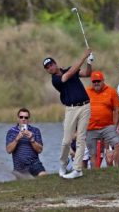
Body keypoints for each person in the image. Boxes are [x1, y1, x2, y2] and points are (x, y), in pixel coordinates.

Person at [43, 48, 93, 179]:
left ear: (55, 63)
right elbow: (69, 75)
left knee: (81, 139)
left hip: (85, 106)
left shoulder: (69, 70)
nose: (50, 68)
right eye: (47, 67)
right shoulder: (55, 80)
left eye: (51, 64)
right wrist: (83, 56)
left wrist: (89, 61)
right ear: (47, 70)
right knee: (66, 141)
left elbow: (87, 73)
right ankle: (63, 164)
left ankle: (77, 169)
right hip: (71, 109)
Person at [86, 71, 119, 167]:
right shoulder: (86, 92)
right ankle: (95, 173)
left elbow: (117, 109)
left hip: (108, 127)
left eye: (98, 81)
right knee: (93, 153)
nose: (96, 83)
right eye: (94, 81)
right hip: (91, 127)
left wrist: (114, 126)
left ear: (103, 81)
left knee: (118, 144)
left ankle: (117, 168)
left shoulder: (111, 91)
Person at [5, 108, 46, 179]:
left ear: (28, 119)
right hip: (20, 167)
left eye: (26, 117)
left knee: (43, 175)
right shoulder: (11, 131)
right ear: (18, 118)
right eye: (21, 117)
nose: (23, 119)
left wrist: (32, 140)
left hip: (34, 164)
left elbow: (40, 150)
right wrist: (16, 139)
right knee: (27, 181)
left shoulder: (35, 130)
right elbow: (8, 150)